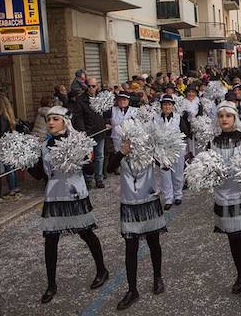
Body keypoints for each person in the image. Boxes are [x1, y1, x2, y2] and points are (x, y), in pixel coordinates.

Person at [27, 106, 108, 304]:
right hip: (54, 198)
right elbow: (40, 175)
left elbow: (88, 171)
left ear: (64, 121)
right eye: (48, 120)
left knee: (87, 234)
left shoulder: (77, 141)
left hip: (75, 195)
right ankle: (51, 285)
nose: (51, 123)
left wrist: (85, 159)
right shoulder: (45, 146)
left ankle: (102, 270)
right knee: (51, 242)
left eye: (55, 119)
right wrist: (26, 162)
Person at [208, 101, 241, 302]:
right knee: (232, 238)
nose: (224, 119)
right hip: (223, 197)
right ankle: (239, 275)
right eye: (221, 116)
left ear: (235, 118)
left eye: (228, 116)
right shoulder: (212, 142)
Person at [108, 137, 167, 310]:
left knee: (154, 243)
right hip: (129, 205)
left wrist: (157, 150)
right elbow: (110, 168)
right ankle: (132, 290)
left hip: (149, 202)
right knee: (130, 248)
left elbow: (166, 164)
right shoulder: (122, 153)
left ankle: (158, 277)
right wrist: (122, 152)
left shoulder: (149, 151)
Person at [71, 77, 110, 188]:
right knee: (87, 158)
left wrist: (106, 122)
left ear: (96, 86)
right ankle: (88, 179)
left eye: (93, 86)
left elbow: (105, 112)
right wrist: (83, 131)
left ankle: (99, 179)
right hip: (88, 133)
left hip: (100, 131)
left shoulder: (101, 98)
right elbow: (78, 117)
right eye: (89, 86)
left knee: (99, 156)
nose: (91, 88)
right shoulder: (81, 99)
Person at [154, 94, 187, 210]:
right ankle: (168, 198)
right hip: (162, 151)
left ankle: (178, 195)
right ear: (161, 106)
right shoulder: (156, 118)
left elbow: (185, 133)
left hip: (176, 150)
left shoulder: (178, 118)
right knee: (165, 175)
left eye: (169, 104)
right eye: (164, 104)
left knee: (177, 174)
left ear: (172, 106)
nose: (167, 107)